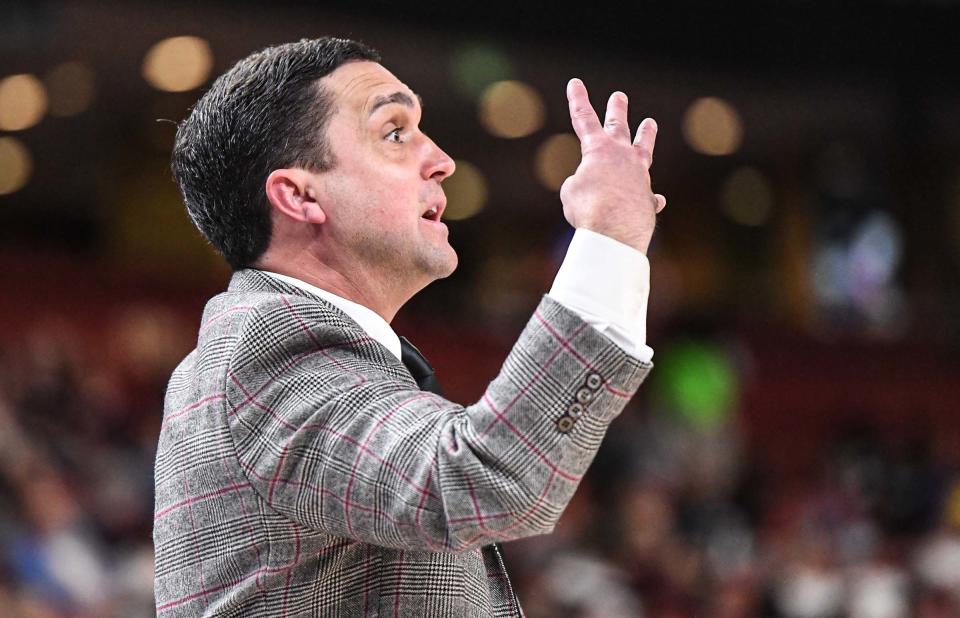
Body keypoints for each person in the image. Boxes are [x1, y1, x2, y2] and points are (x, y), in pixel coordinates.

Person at [153, 36, 665, 617]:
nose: (441, 159)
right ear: (299, 195)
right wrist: (609, 241)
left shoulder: (292, 351)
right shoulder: (267, 348)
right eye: (394, 132)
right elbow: (484, 476)